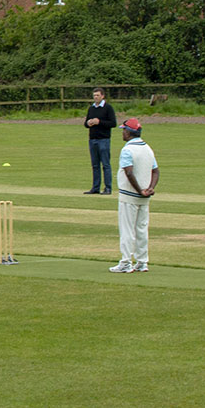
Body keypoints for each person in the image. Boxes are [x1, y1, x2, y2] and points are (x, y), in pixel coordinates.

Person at [111, 118, 159, 273]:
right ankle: (142, 261)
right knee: (141, 229)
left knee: (127, 230)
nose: (122, 133)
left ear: (129, 132)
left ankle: (126, 262)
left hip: (129, 195)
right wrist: (149, 188)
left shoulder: (127, 150)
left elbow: (129, 172)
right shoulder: (148, 149)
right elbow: (156, 171)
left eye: (124, 130)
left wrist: (140, 191)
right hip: (144, 197)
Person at [84, 87, 117, 194]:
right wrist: (88, 123)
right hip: (92, 139)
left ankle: (108, 188)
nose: (95, 97)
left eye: (97, 95)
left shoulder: (108, 108)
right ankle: (95, 187)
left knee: (106, 164)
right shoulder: (91, 108)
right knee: (95, 165)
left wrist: (100, 122)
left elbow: (113, 123)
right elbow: (85, 123)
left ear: (102, 96)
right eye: (94, 95)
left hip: (104, 139)